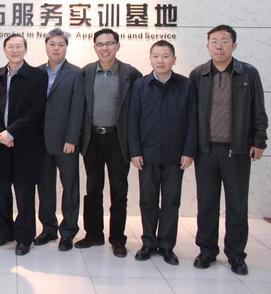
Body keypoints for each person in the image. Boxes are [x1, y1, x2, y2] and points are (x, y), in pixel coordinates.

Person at [190, 25, 267, 276]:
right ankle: (207, 251)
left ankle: (235, 255)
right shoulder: (198, 74)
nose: (219, 46)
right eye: (214, 41)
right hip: (205, 151)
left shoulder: (248, 73)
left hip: (238, 151)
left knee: (237, 205)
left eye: (224, 41)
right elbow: (190, 116)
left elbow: (258, 109)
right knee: (207, 205)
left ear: (234, 46)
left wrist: (259, 140)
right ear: (208, 46)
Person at [129, 40, 197, 265]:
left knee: (171, 202)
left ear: (174, 60)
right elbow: (133, 120)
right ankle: (148, 243)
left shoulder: (186, 85)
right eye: (156, 56)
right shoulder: (140, 85)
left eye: (166, 56)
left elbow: (192, 120)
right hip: (147, 155)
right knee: (148, 202)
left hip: (175, 156)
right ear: (150, 59)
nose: (160, 60)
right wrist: (135, 151)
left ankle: (167, 245)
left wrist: (189, 151)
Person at [75, 28, 141, 258]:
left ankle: (117, 239)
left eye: (109, 43)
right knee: (93, 189)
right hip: (92, 139)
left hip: (118, 140)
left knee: (119, 191)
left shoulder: (131, 74)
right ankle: (93, 234)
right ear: (94, 47)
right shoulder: (86, 73)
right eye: (100, 44)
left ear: (117, 46)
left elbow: (138, 111)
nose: (105, 48)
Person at [0, 34, 47, 256]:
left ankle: (24, 237)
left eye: (19, 46)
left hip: (25, 143)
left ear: (25, 50)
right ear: (4, 50)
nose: (15, 50)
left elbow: (36, 110)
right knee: (1, 193)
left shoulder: (38, 76)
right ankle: (5, 233)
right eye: (10, 46)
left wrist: (12, 133)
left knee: (24, 194)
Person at [34, 28, 84, 251]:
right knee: (45, 187)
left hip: (66, 143)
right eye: (52, 44)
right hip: (41, 142)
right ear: (46, 46)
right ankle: (48, 228)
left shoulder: (76, 73)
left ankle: (68, 232)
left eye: (60, 45)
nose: (56, 48)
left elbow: (78, 109)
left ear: (66, 47)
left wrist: (72, 138)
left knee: (70, 188)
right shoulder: (36, 72)